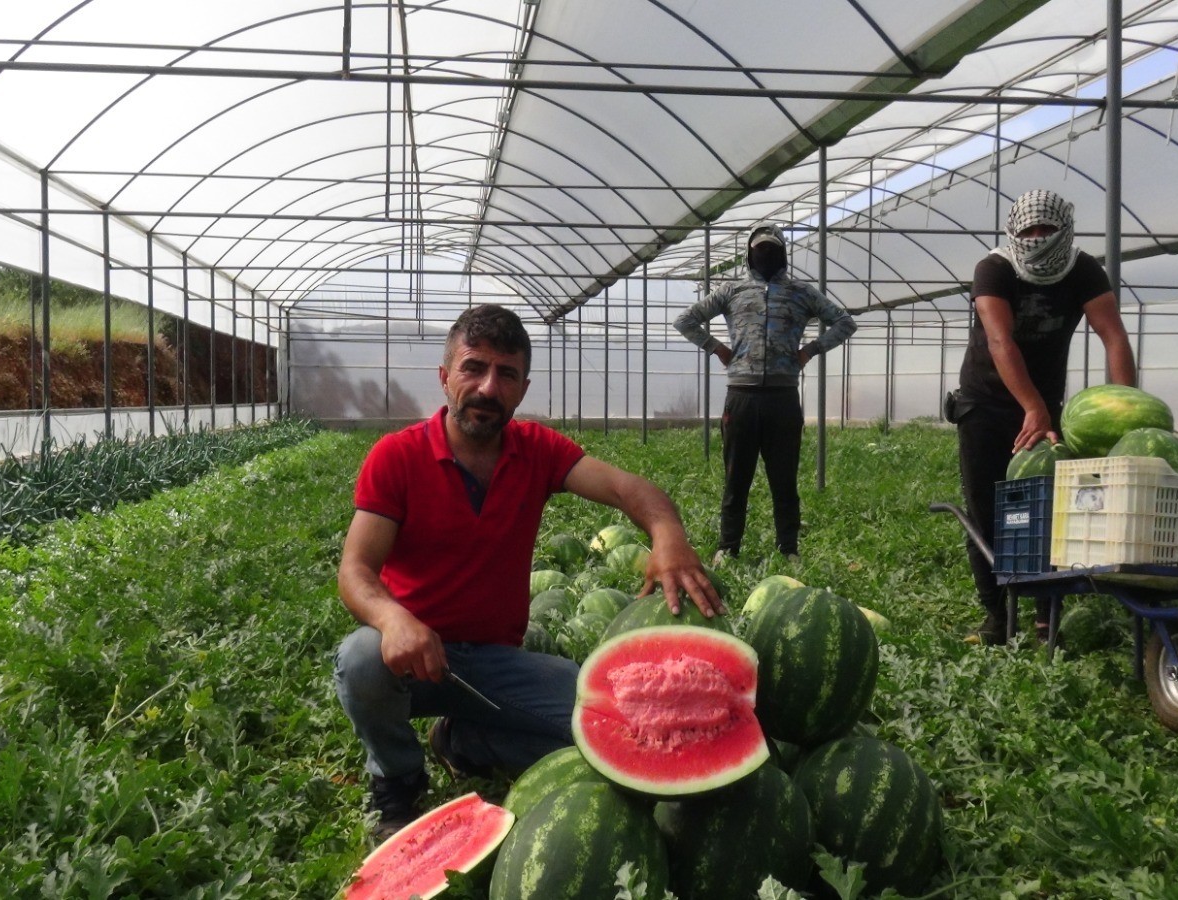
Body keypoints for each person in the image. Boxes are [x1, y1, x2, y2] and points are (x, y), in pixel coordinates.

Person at [334, 303, 723, 840]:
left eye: (507, 374)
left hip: (494, 665)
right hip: (411, 659)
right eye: (474, 368)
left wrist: (668, 535)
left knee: (615, 732)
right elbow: (355, 571)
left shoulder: (536, 450)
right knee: (359, 659)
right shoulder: (396, 457)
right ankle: (397, 777)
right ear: (445, 377)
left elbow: (628, 488)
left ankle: (465, 741)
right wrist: (392, 618)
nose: (489, 387)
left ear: (522, 387)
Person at [950, 189, 1136, 645]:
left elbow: (1113, 336)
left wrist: (1127, 408)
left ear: (1064, 230)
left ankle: (1043, 615)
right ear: (1014, 232)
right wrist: (1030, 406)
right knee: (988, 510)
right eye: (1029, 230)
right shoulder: (994, 268)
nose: (1037, 238)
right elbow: (1000, 343)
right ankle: (998, 618)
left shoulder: (1083, 269)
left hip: (1046, 405)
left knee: (1045, 512)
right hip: (986, 404)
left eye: (1046, 230)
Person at [673, 223, 856, 564]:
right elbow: (686, 320)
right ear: (749, 253)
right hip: (741, 397)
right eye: (761, 249)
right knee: (735, 478)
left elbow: (845, 322)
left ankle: (788, 549)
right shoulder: (732, 290)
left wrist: (811, 350)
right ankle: (728, 548)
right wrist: (716, 347)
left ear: (783, 254)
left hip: (783, 399)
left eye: (772, 250)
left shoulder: (801, 293)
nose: (766, 255)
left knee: (784, 480)